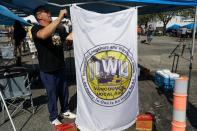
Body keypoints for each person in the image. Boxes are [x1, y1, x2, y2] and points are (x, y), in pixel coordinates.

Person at [31, 6, 76, 125]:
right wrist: (60, 17)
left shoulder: (58, 28)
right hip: (47, 69)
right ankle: (53, 117)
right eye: (46, 12)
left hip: (60, 65)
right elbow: (43, 35)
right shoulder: (36, 28)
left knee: (64, 91)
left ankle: (65, 110)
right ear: (39, 16)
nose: (49, 13)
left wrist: (77, 27)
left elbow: (67, 39)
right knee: (52, 94)